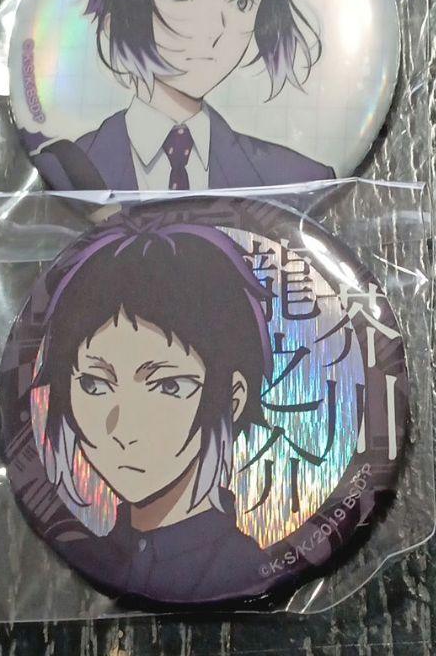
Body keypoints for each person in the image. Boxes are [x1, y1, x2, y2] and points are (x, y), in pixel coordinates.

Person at [28, 0, 334, 191]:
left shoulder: (299, 179)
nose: (216, 28)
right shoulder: (64, 169)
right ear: (119, 13)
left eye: (242, 2)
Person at [35, 212, 273, 602]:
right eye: (94, 384)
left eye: (168, 386)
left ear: (233, 399)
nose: (123, 428)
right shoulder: (99, 553)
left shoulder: (240, 566)